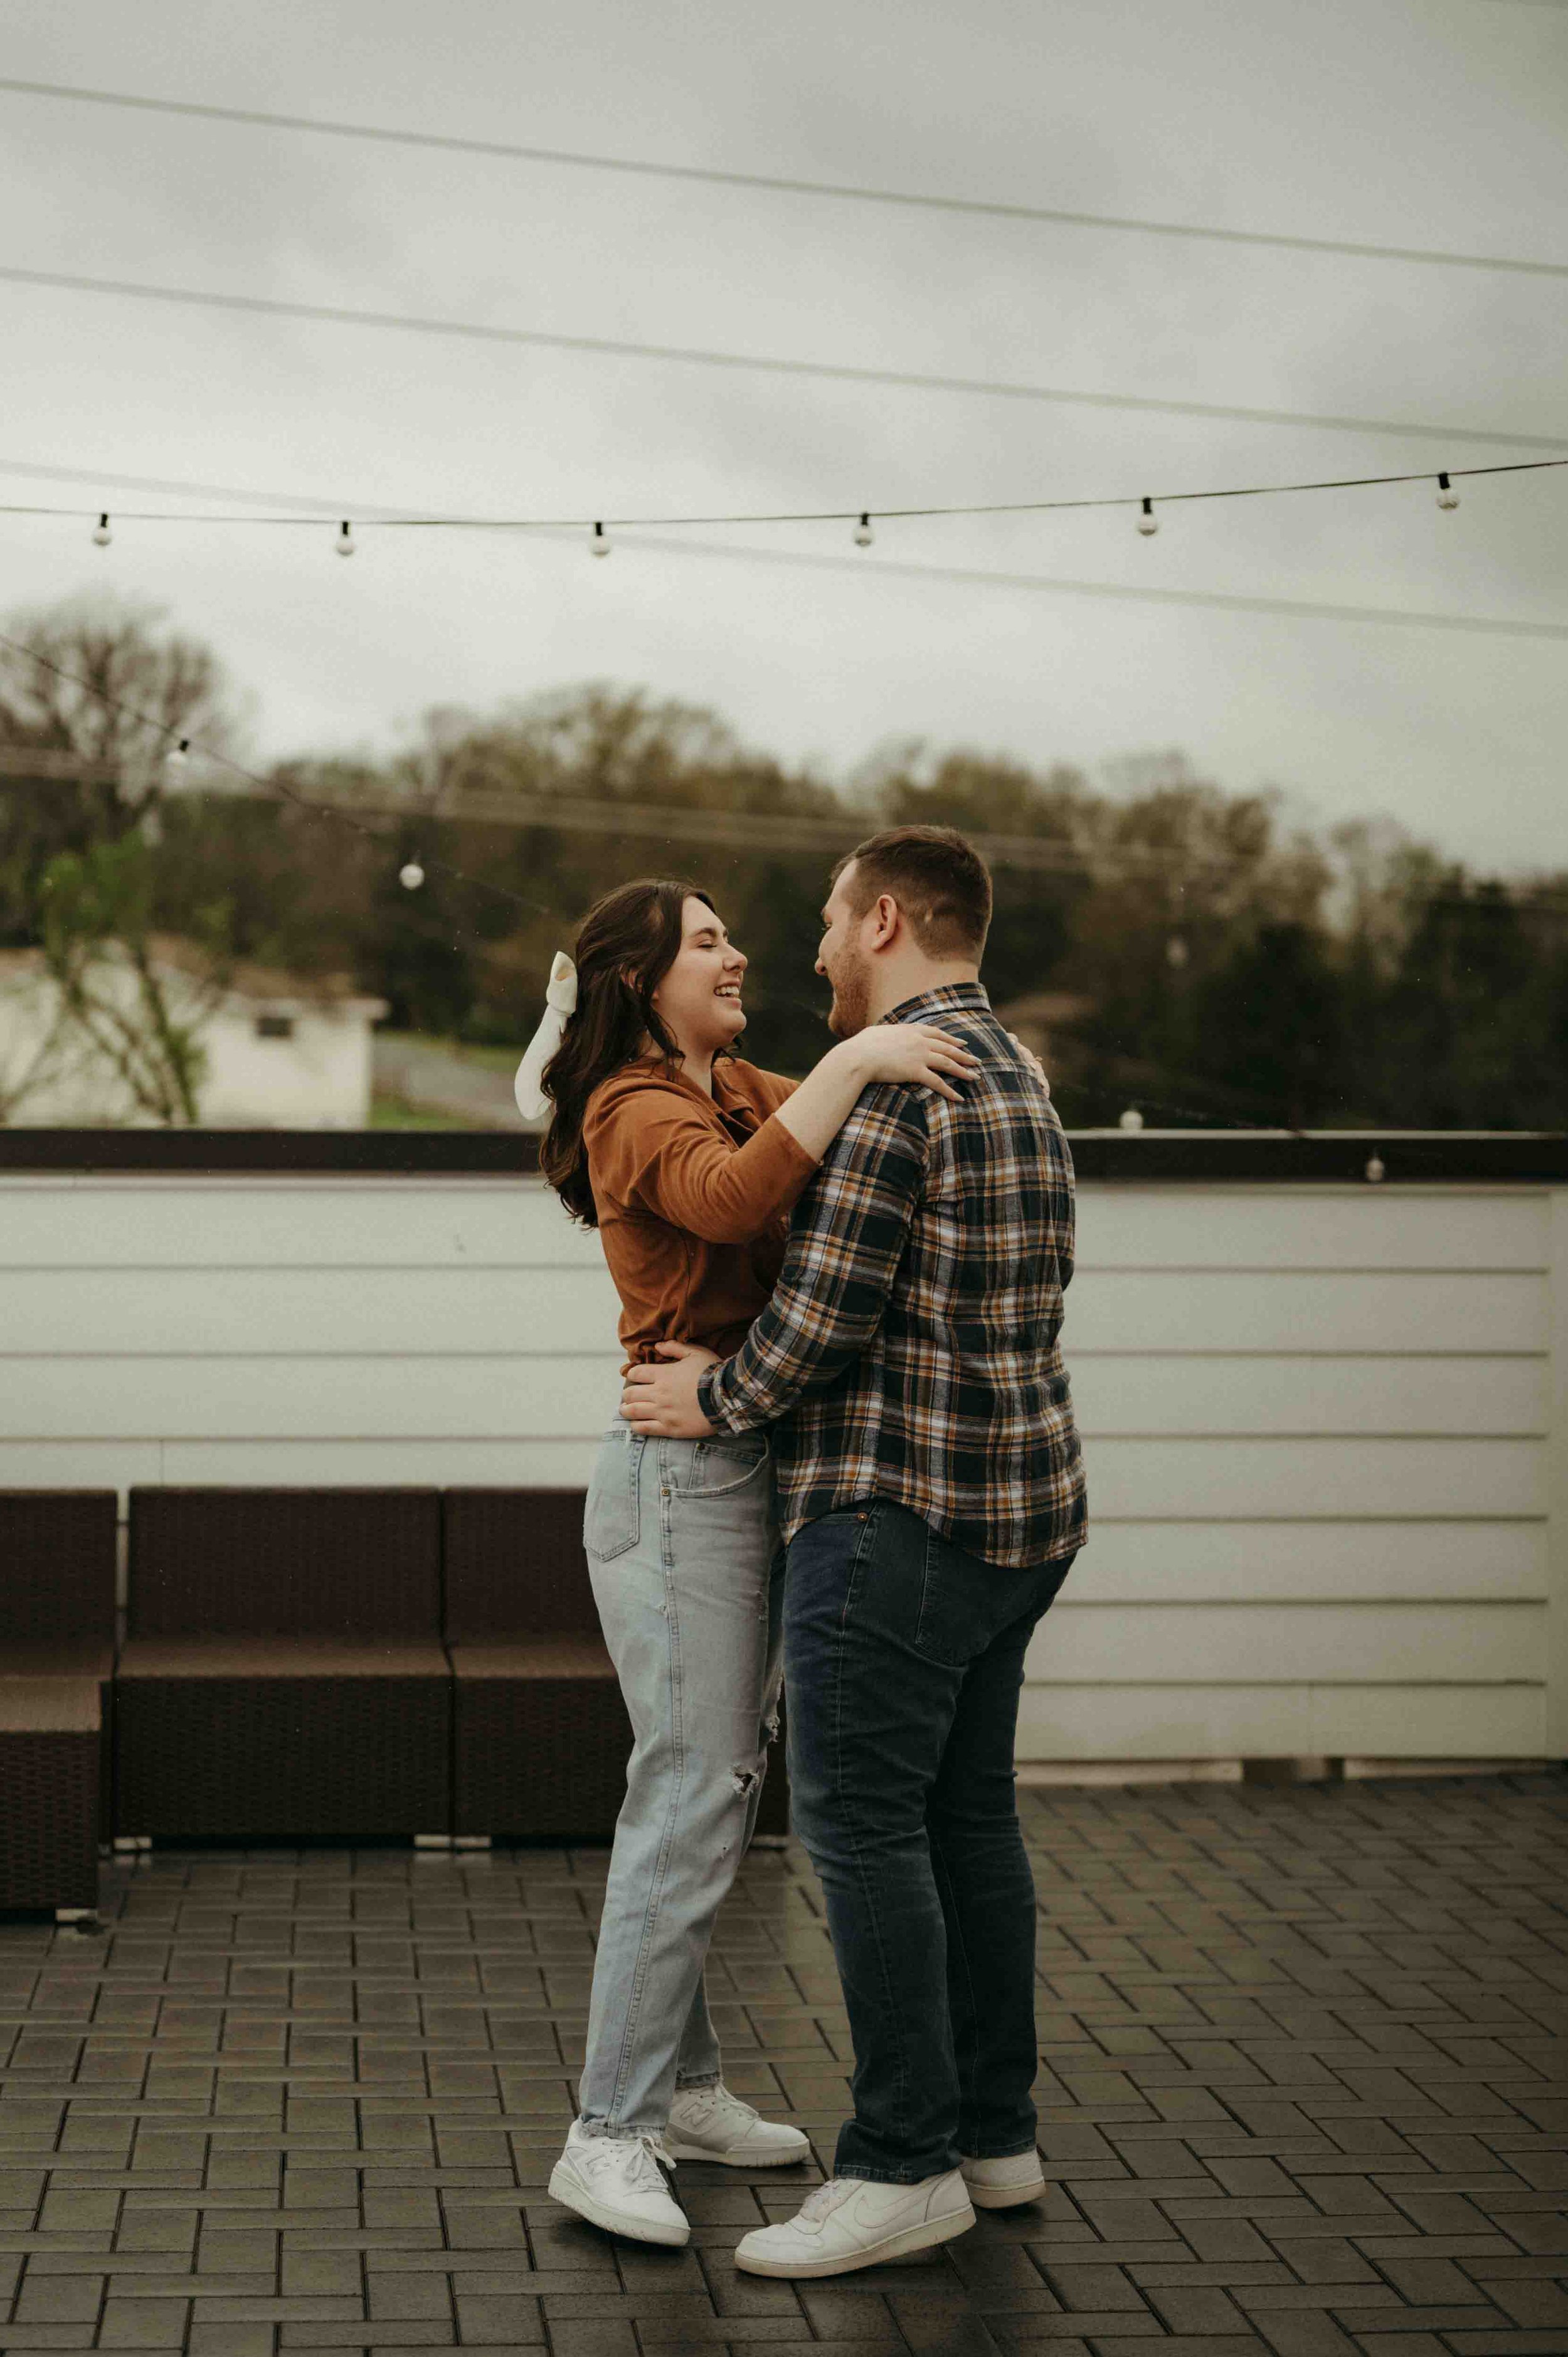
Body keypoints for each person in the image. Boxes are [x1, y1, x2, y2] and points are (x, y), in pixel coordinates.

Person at [622, 825, 1086, 2280]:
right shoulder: (1016, 1072)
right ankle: (992, 2138)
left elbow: (819, 1314)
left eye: (828, 925)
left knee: (860, 1830)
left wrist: (712, 1395)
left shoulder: (899, 1086)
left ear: (883, 919)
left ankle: (900, 2165)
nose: (811, 952)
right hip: (1023, 1513)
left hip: (891, 1516)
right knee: (969, 1823)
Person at [527, 876, 981, 2250]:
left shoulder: (725, 1078)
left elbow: (807, 1132)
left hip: (735, 1470)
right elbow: (731, 1202)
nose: (739, 953)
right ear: (641, 977)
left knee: (708, 1789)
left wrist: (885, 1054)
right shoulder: (630, 1106)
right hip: (677, 1486)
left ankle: (686, 2088)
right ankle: (603, 2132)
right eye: (708, 939)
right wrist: (854, 1052)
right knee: (690, 1791)